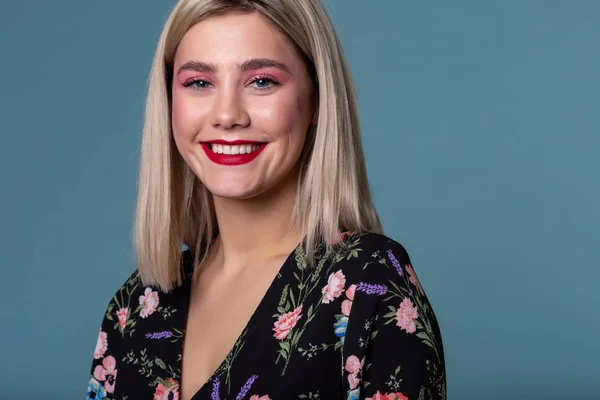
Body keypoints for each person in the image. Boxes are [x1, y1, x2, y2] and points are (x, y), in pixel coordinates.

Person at [87, 0, 446, 399]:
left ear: (317, 98)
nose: (227, 115)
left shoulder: (368, 284)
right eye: (199, 83)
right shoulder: (136, 307)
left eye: (261, 81)